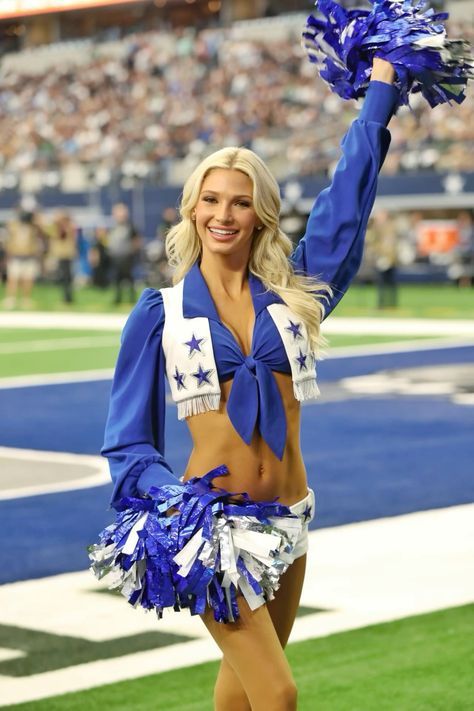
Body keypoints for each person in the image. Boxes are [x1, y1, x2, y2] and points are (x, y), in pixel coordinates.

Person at [97, 59, 397, 710]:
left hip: (292, 519)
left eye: (239, 201)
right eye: (210, 200)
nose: (223, 214)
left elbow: (344, 210)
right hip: (216, 531)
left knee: (241, 702)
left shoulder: (294, 298)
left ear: (260, 213)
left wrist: (381, 93)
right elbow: (128, 449)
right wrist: (177, 506)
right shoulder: (160, 314)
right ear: (191, 209)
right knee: (278, 695)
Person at [106, 203, 141, 304]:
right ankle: (118, 298)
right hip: (116, 257)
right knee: (117, 279)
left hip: (127, 257)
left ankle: (132, 298)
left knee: (129, 279)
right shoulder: (113, 227)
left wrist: (133, 252)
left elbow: (136, 241)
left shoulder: (130, 227)